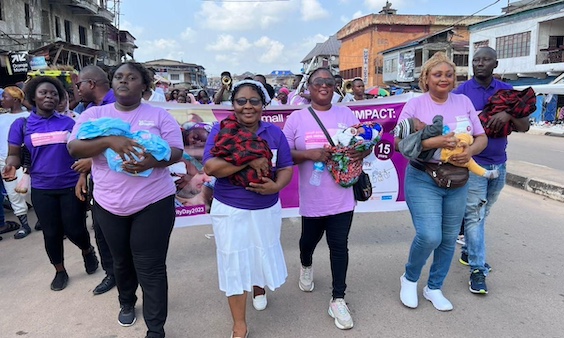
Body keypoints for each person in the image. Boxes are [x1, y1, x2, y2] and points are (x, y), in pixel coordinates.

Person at [68, 62, 184, 338]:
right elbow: (74, 148)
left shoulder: (159, 115)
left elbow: (177, 152)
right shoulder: (95, 115)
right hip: (109, 203)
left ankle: (156, 329)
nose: (124, 81)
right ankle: (127, 301)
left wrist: (151, 162)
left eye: (132, 78)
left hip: (153, 201)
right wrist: (109, 142)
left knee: (151, 265)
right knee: (121, 261)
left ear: (143, 85)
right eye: (119, 77)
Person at [395, 52, 487, 311]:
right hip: (424, 176)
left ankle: (434, 287)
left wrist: (470, 152)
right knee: (429, 235)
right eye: (438, 74)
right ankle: (410, 278)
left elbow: (481, 137)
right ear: (426, 78)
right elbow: (398, 143)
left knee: (448, 238)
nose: (444, 79)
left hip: (457, 179)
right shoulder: (415, 105)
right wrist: (435, 142)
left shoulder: (463, 101)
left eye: (449, 74)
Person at [203, 80, 293, 338]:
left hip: (266, 209)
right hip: (230, 209)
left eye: (254, 101)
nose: (247, 106)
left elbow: (286, 166)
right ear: (233, 104)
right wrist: (250, 160)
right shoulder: (221, 131)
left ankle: (259, 287)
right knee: (234, 263)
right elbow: (211, 168)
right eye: (241, 101)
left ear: (263, 104)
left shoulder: (274, 133)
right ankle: (239, 325)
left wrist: (276, 187)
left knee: (259, 255)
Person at [282, 67, 370, 330]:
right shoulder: (297, 119)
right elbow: (284, 153)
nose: (324, 86)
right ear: (308, 87)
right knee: (308, 241)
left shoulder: (346, 113)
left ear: (335, 87)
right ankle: (306, 264)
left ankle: (338, 299)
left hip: (342, 196)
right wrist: (310, 155)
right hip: (312, 197)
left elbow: (362, 144)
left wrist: (361, 153)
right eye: (318, 82)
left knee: (339, 246)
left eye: (329, 82)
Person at [2, 76, 99, 291]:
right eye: (43, 92)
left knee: (75, 229)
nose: (49, 96)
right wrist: (10, 166)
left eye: (54, 93)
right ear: (33, 96)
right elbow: (14, 155)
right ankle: (60, 271)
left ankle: (87, 251)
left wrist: (84, 174)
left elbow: (83, 153)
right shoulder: (23, 124)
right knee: (51, 233)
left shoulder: (69, 123)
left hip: (71, 185)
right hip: (42, 188)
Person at [454, 46, 529, 294]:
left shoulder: (506, 92)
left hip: (500, 161)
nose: (479, 64)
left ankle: (468, 250)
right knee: (475, 215)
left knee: (483, 213)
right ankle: (477, 269)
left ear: (495, 64)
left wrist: (508, 115)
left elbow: (524, 126)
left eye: (485, 60)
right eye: (476, 60)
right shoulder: (461, 93)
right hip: (474, 163)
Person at [75, 64, 118, 296]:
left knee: (128, 231)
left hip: (127, 178)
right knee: (100, 229)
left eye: (79, 84)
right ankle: (111, 273)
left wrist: (91, 163)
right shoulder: (88, 110)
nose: (77, 89)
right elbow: (86, 145)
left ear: (91, 84)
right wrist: (84, 175)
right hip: (99, 181)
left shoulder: (119, 104)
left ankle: (133, 274)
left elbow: (132, 141)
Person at [0, 86, 32, 239]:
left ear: (15, 100)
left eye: (5, 97)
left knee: (29, 190)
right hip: (4, 160)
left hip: (24, 159)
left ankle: (42, 219)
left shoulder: (28, 116)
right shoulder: (1, 117)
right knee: (13, 192)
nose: (2, 100)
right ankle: (24, 225)